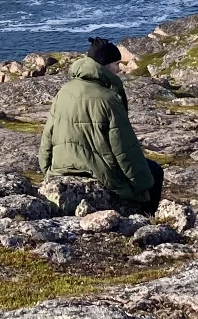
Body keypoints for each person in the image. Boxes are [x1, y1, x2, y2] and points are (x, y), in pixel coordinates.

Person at [38, 36, 164, 215]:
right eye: (116, 64)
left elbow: (47, 137)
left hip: (61, 166)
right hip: (97, 169)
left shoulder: (64, 91)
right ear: (104, 66)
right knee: (155, 172)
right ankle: (144, 219)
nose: (119, 70)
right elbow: (124, 149)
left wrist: (47, 170)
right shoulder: (108, 99)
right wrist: (143, 184)